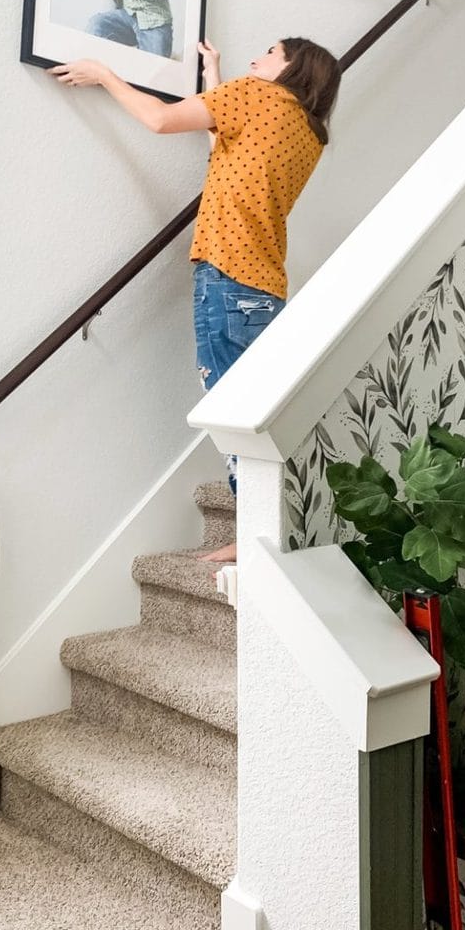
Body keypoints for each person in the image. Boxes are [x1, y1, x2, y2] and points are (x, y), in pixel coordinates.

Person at [48, 34, 341, 562]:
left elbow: (160, 120)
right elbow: (224, 148)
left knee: (232, 417)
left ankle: (257, 536)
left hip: (227, 278)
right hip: (265, 288)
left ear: (293, 66)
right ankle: (268, 528)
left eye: (270, 53)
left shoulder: (255, 95)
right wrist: (212, 73)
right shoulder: (307, 131)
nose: (258, 60)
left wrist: (104, 72)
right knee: (257, 416)